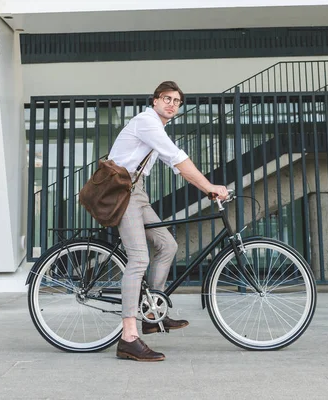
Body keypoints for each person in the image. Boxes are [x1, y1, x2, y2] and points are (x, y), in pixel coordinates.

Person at [108, 81, 229, 361]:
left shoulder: (157, 129)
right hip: (120, 191)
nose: (172, 104)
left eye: (177, 100)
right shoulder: (147, 122)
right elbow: (178, 159)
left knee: (167, 245)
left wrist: (204, 184)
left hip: (136, 192)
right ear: (154, 101)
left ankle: (151, 314)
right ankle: (128, 337)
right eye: (166, 98)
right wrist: (209, 186)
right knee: (139, 258)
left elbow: (173, 161)